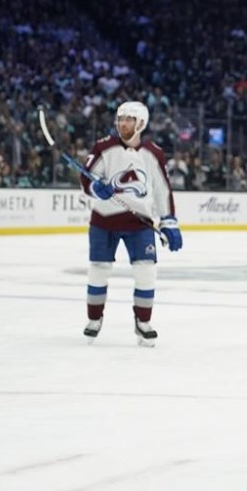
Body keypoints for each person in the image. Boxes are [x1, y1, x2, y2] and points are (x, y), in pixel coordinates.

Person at [79, 101, 183, 346]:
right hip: (104, 222)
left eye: (128, 119)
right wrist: (96, 187)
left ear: (141, 124)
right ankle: (94, 319)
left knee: (147, 271)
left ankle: (143, 322)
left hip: (140, 224)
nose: (122, 123)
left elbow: (161, 189)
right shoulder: (104, 147)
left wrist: (168, 221)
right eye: (120, 118)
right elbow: (86, 178)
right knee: (99, 269)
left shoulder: (154, 153)